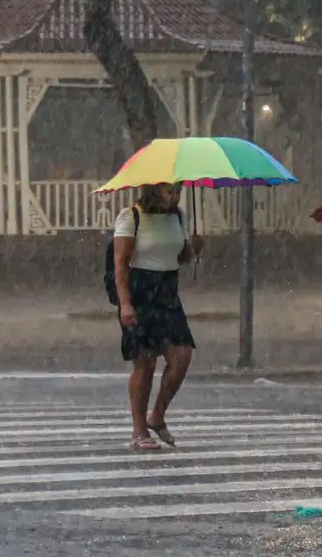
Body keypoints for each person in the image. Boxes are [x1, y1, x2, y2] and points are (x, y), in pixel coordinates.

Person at [113, 183, 203, 451]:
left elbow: (182, 256)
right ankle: (139, 431)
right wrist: (125, 303)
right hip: (140, 292)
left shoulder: (178, 216)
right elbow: (120, 265)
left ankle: (157, 416)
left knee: (182, 356)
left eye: (178, 190)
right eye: (168, 191)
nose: (174, 196)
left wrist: (194, 247)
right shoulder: (132, 217)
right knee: (145, 363)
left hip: (167, 292)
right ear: (153, 190)